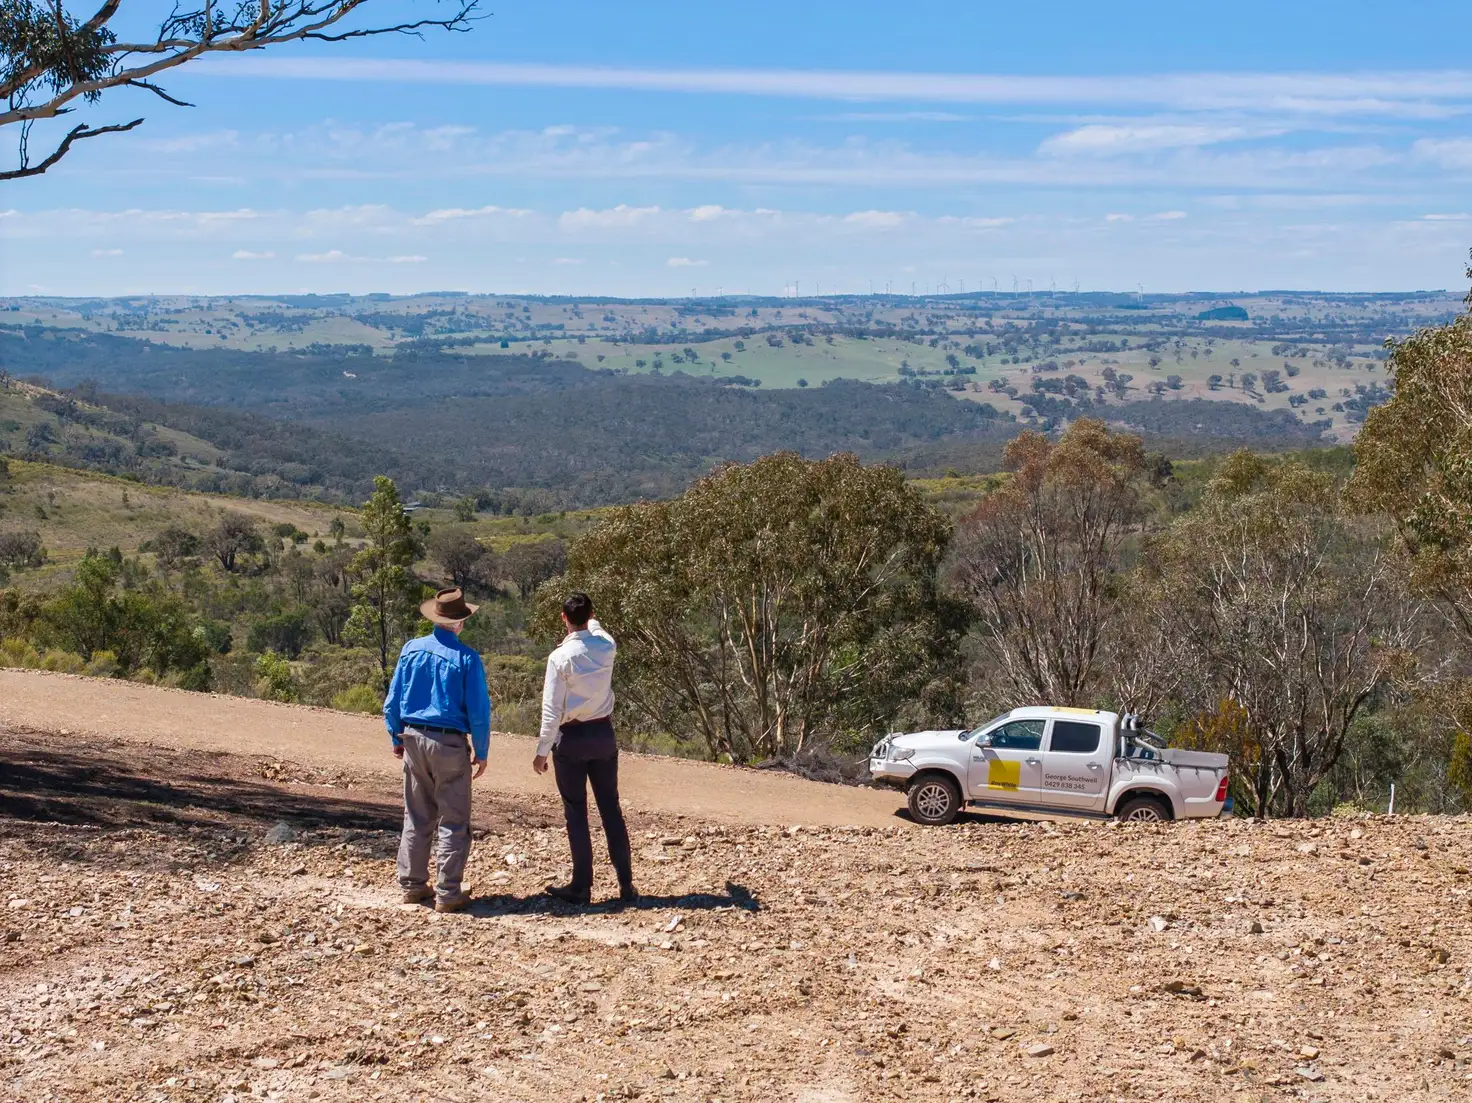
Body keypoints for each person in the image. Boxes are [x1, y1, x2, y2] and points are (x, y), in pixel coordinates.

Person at [384, 587, 491, 914]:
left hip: (413, 738)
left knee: (416, 816)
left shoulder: (410, 650)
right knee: (453, 820)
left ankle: (413, 886)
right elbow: (479, 712)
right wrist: (482, 751)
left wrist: (396, 738)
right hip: (450, 743)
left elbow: (392, 702)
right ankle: (447, 891)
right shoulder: (467, 659)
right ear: (459, 622)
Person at [534, 591, 635, 906]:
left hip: (572, 739)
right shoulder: (607, 647)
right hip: (603, 734)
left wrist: (541, 749)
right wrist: (593, 618)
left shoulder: (559, 658)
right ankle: (626, 884)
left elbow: (551, 710)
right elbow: (601, 629)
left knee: (576, 812)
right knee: (611, 810)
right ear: (591, 616)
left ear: (563, 619)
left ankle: (581, 886)